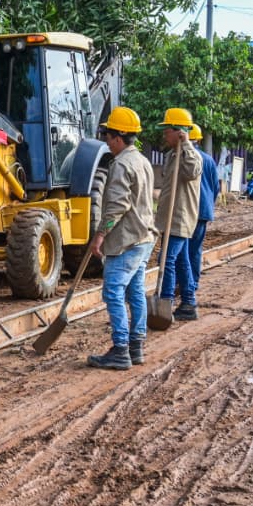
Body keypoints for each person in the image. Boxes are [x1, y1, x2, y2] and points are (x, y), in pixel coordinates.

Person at [86, 107, 155, 370]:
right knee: (135, 291)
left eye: (107, 135)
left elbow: (116, 206)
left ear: (119, 137)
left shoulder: (122, 165)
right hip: (144, 238)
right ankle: (136, 346)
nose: (105, 140)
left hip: (127, 241)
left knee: (113, 292)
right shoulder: (143, 161)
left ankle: (120, 349)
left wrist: (99, 236)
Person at [155, 108, 202, 323]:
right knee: (182, 261)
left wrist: (187, 145)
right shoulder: (171, 155)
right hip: (169, 218)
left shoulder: (191, 156)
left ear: (180, 132)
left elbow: (192, 171)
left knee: (167, 259)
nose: (165, 135)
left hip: (180, 218)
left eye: (168, 131)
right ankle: (189, 303)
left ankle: (165, 303)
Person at [180, 123, 218, 321]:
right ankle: (192, 284)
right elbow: (215, 186)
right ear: (199, 139)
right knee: (195, 250)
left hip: (189, 210)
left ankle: (186, 287)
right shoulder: (209, 160)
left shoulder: (184, 157)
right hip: (203, 210)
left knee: (182, 251)